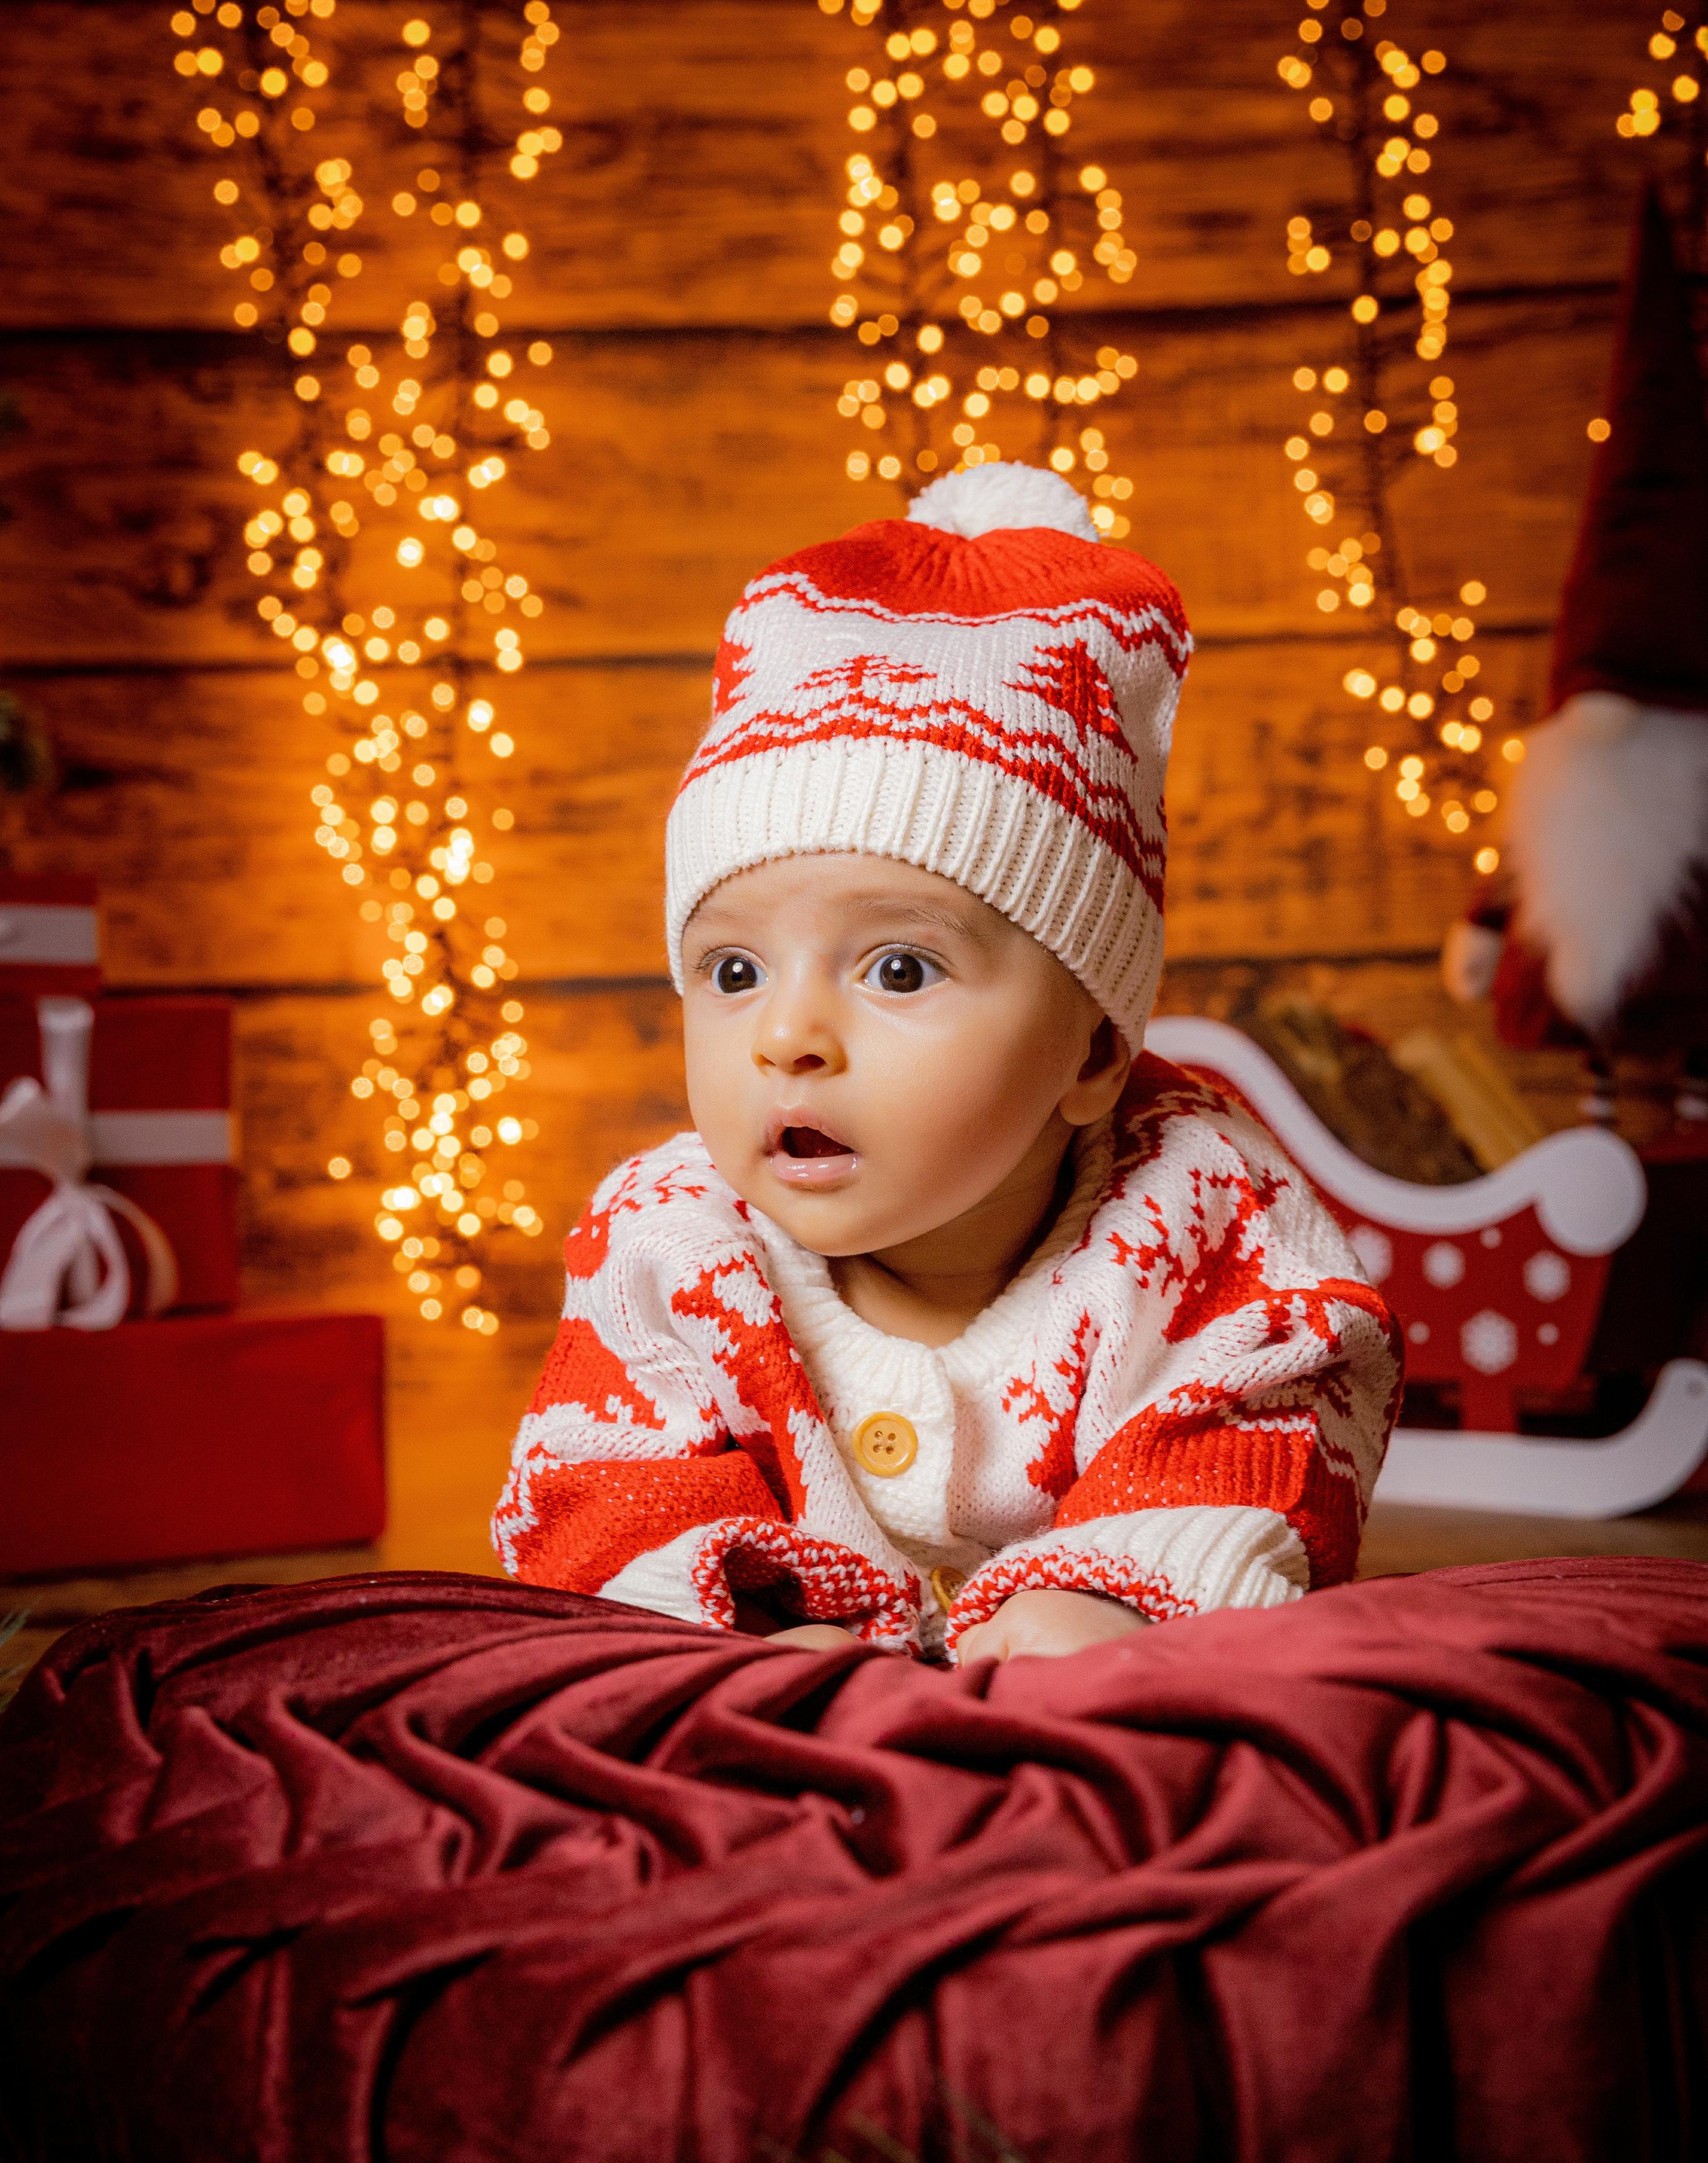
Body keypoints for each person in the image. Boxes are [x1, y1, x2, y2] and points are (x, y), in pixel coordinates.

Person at [493, 461, 1399, 1661]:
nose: (785, 1037)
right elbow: (605, 1483)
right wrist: (740, 1616)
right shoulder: (670, 1243)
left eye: (900, 971)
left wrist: (1124, 1592)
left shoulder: (1201, 1214)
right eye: (732, 972)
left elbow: (1270, 1421)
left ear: (1090, 1049)